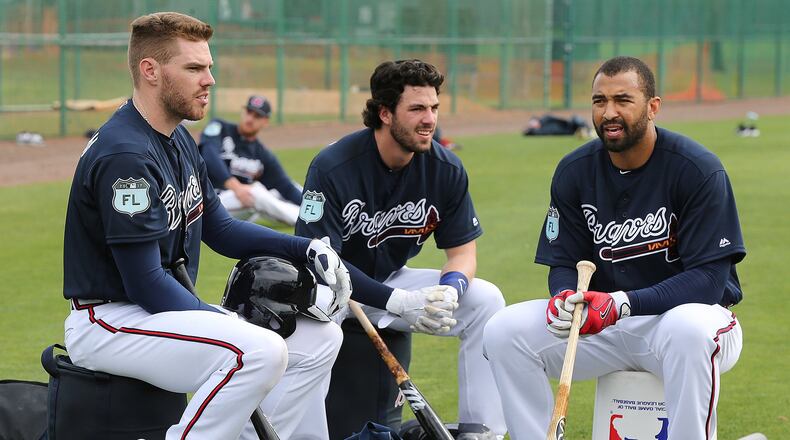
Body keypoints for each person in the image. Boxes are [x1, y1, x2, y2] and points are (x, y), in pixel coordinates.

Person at [62, 12, 352, 439]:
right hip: (110, 320)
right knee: (258, 349)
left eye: (209, 67)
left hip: (153, 311)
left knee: (319, 339)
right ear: (151, 71)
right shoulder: (126, 155)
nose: (209, 80)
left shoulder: (177, 136)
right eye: (194, 68)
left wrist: (304, 249)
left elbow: (220, 229)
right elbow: (144, 284)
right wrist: (227, 322)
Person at [482, 56, 745, 439]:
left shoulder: (697, 169)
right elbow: (563, 262)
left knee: (688, 329)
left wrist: (624, 303)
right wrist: (563, 297)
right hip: (605, 323)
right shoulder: (574, 171)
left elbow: (707, 282)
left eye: (623, 100)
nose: (609, 112)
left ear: (653, 107)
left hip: (684, 323)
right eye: (599, 101)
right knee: (505, 331)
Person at [295, 59, 507, 436]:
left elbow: (462, 253)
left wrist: (450, 290)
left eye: (434, 108)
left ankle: (481, 430)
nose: (430, 119)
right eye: (417, 109)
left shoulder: (446, 168)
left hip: (391, 284)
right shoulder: (333, 166)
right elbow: (323, 264)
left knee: (486, 301)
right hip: (329, 295)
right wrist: (396, 301)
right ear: (385, 113)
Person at [199, 95, 302, 225]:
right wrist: (236, 187)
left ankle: (316, 213)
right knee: (255, 191)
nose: (250, 119)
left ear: (265, 121)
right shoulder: (220, 127)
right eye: (249, 112)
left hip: (241, 207)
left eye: (257, 116)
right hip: (208, 202)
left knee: (281, 190)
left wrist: (306, 204)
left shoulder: (262, 154)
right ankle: (306, 221)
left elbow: (286, 187)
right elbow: (209, 155)